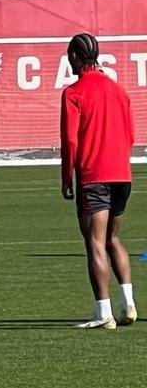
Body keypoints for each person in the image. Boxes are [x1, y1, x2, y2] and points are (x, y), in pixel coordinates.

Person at [60, 33, 137, 329]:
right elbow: (130, 136)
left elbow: (70, 140)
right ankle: (127, 300)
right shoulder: (119, 90)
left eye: (70, 56)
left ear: (77, 57)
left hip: (94, 176)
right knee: (112, 238)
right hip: (122, 175)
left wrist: (67, 176)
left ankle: (102, 312)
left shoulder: (74, 93)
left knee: (93, 242)